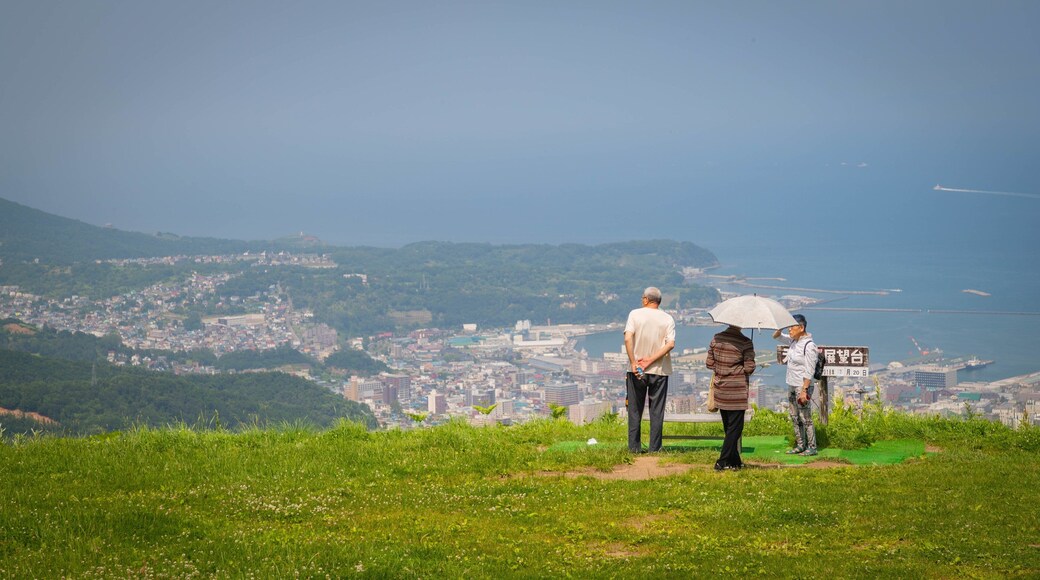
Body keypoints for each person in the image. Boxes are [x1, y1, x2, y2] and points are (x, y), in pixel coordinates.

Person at [624, 286, 676, 453]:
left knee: (634, 410)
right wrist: (651, 360)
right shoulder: (668, 319)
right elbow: (670, 344)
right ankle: (655, 448)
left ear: (646, 299)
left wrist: (634, 362)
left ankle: (634, 448)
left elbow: (627, 338)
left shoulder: (634, 314)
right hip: (659, 370)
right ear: (658, 301)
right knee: (656, 411)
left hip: (636, 370)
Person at [705, 325, 756, 470]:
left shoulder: (716, 338)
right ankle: (722, 461)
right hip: (737, 391)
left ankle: (735, 462)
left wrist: (722, 369)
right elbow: (749, 368)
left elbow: (709, 363)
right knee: (736, 428)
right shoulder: (745, 342)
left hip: (721, 390)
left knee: (729, 428)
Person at [773, 313, 818, 456]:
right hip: (791, 384)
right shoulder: (793, 341)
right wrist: (782, 324)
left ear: (801, 327)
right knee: (794, 416)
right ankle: (800, 444)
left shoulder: (809, 346)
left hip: (802, 386)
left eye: (792, 327)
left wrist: (804, 390)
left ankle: (812, 446)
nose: (789, 331)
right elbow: (776, 336)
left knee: (806, 418)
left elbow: (809, 370)